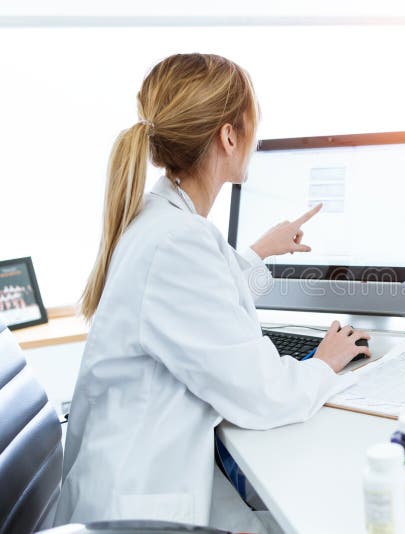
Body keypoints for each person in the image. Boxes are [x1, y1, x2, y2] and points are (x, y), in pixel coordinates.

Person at [55, 53, 372, 531]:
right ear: (229, 135)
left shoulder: (160, 218)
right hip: (138, 509)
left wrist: (258, 251)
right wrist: (325, 362)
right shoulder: (177, 240)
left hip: (139, 478)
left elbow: (197, 308)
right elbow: (264, 395)